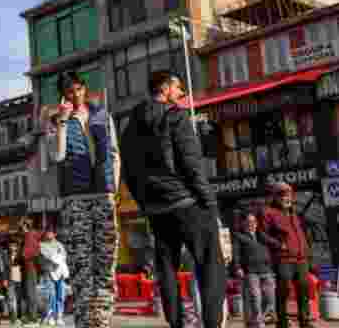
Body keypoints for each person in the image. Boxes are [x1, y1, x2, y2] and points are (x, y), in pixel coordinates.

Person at [119, 70, 225, 328]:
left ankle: (176, 324)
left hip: (157, 209)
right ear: (165, 89)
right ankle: (211, 324)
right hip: (186, 203)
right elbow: (192, 166)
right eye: (178, 88)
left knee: (166, 267)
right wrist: (209, 203)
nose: (181, 93)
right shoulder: (175, 117)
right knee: (211, 265)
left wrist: (146, 204)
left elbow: (128, 173)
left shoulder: (130, 126)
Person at [45, 69, 120, 328]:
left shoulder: (102, 115)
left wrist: (114, 189)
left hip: (103, 194)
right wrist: (64, 122)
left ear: (84, 88)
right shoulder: (54, 120)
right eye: (69, 91)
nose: (75, 95)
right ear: (62, 95)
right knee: (81, 262)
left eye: (78, 89)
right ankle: (84, 321)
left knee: (106, 260)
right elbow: (56, 155)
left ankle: (102, 320)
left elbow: (113, 152)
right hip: (75, 198)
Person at [261, 183, 315, 328]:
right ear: (276, 196)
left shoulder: (294, 213)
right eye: (283, 194)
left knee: (304, 289)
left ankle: (304, 321)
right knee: (283, 290)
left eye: (289, 194)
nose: (287, 197)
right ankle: (282, 322)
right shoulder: (268, 212)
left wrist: (307, 254)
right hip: (283, 259)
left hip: (301, 258)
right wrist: (278, 245)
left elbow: (301, 235)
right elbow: (262, 235)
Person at [233, 212, 276, 328]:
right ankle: (258, 323)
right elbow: (235, 253)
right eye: (249, 222)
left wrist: (282, 244)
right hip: (251, 271)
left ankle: (263, 317)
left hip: (266, 270)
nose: (251, 224)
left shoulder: (261, 235)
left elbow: (273, 242)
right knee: (255, 297)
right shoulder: (239, 236)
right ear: (243, 223)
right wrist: (237, 267)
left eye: (254, 221)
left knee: (270, 297)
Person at [39, 228, 68, 327]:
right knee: (51, 295)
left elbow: (63, 256)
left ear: (54, 234)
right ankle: (51, 316)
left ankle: (59, 317)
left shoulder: (60, 244)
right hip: (49, 272)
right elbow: (49, 257)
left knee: (61, 295)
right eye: (47, 233)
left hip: (60, 273)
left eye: (51, 233)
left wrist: (57, 257)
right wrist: (56, 256)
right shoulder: (42, 245)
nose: (49, 235)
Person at [17, 218, 43, 325]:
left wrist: (19, 256)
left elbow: (27, 253)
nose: (20, 228)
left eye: (21, 226)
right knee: (26, 293)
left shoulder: (30, 236)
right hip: (27, 268)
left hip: (30, 267)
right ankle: (29, 316)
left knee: (30, 293)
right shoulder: (28, 236)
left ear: (25, 226)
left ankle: (32, 317)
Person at [0, 238, 18, 326]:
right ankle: (9, 319)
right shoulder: (1, 253)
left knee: (2, 299)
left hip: (3, 279)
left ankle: (8, 318)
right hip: (2, 279)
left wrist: (3, 279)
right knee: (2, 299)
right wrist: (2, 279)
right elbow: (1, 267)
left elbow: (3, 267)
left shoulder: (2, 252)